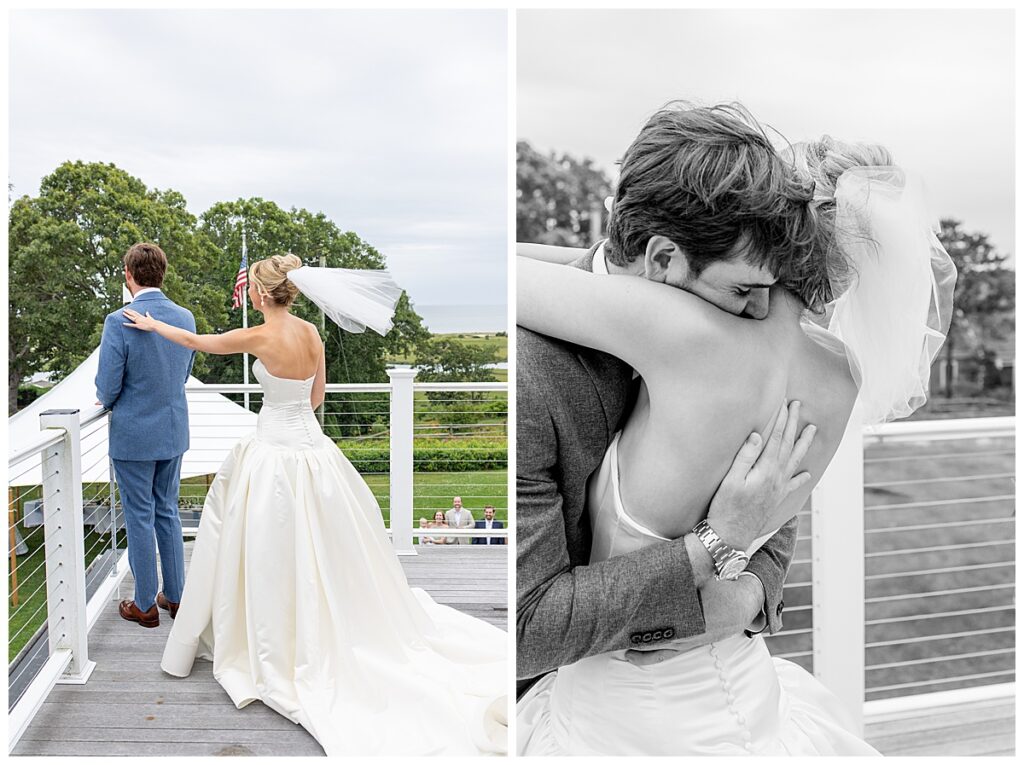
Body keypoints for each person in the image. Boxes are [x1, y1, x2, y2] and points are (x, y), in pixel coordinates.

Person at [515, 122, 955, 754]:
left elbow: (511, 275)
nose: (749, 309)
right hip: (740, 691)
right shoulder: (841, 378)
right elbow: (771, 514)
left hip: (634, 714)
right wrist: (725, 550)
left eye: (754, 289)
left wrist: (742, 587)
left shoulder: (682, 331)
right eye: (742, 289)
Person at [123, 254, 506, 755]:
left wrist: (150, 323)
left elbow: (198, 343)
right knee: (326, 546)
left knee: (266, 546)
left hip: (275, 453)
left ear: (260, 294)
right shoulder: (311, 334)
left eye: (252, 293)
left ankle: (275, 634)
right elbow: (317, 398)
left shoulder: (260, 336)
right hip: (314, 450)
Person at [95, 242, 195, 628]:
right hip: (172, 428)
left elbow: (107, 387)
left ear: (129, 274)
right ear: (162, 274)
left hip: (134, 434)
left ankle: (144, 605)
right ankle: (176, 597)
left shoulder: (118, 319)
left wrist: (109, 399)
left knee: (139, 515)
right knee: (167, 510)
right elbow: (182, 373)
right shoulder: (185, 317)